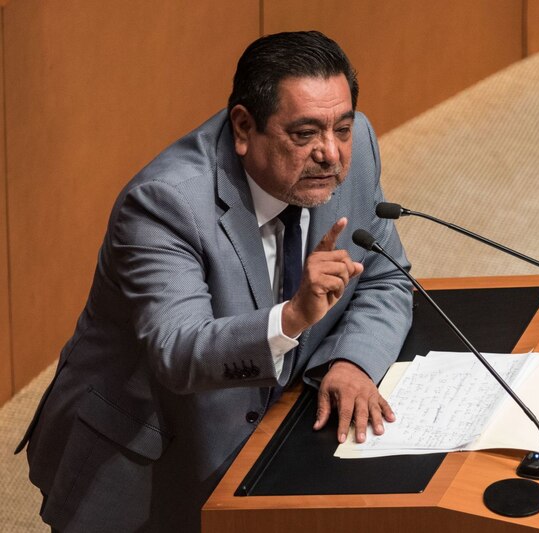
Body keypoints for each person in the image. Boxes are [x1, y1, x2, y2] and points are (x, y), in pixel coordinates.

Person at [15, 31, 413, 532]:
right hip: (151, 459)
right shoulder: (165, 204)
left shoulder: (353, 153)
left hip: (275, 442)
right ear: (244, 127)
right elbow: (179, 352)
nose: (331, 153)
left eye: (342, 128)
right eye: (305, 133)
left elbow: (385, 278)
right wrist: (291, 318)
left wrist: (353, 361)